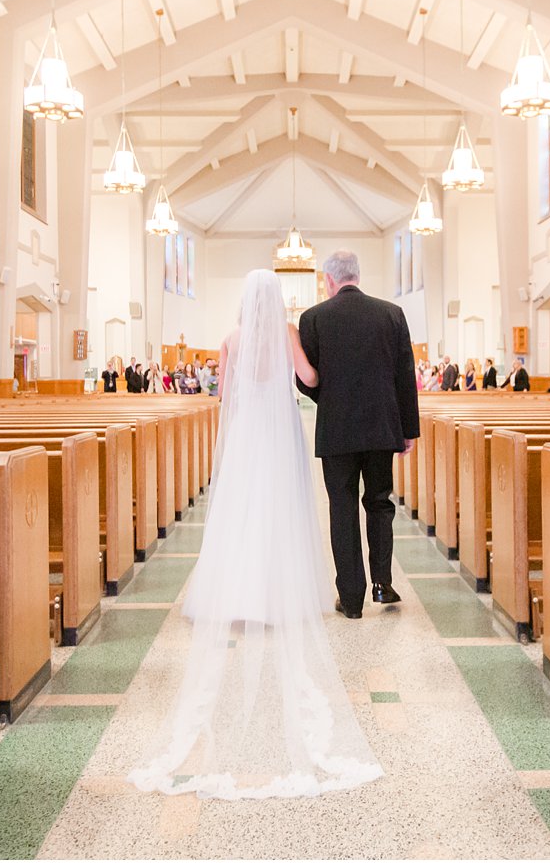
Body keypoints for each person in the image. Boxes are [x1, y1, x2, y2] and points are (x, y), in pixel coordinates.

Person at [129, 269, 382, 800]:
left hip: (245, 434)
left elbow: (224, 396)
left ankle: (238, 593)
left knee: (241, 511)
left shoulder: (230, 338)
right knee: (281, 510)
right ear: (276, 301)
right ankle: (278, 593)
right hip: (279, 433)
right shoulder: (286, 335)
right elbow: (308, 380)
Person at [296, 250, 419, 618]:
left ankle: (351, 599)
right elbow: (405, 378)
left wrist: (330, 398)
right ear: (357, 275)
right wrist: (408, 430)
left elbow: (305, 381)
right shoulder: (391, 314)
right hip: (382, 429)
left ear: (329, 280)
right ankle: (382, 584)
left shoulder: (313, 318)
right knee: (380, 503)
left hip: (337, 431)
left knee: (342, 508)